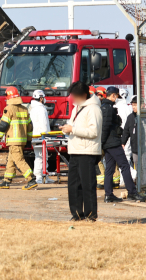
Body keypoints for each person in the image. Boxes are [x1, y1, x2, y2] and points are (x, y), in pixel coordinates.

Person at [61, 81, 102, 221]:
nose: (73, 99)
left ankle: (91, 215)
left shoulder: (93, 109)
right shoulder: (77, 108)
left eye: (75, 96)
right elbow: (74, 126)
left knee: (87, 185)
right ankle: (77, 214)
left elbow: (94, 132)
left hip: (88, 152)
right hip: (75, 150)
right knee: (73, 185)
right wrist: (68, 128)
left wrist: (73, 129)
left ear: (84, 95)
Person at [100, 87, 144, 203]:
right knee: (124, 165)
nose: (117, 99)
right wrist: (102, 143)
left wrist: (102, 144)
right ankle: (132, 192)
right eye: (116, 96)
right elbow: (105, 127)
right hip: (113, 142)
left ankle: (108, 194)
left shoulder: (103, 107)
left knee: (109, 169)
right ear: (113, 95)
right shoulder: (109, 109)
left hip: (108, 144)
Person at [0, 86, 36, 190]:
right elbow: (30, 126)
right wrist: (29, 140)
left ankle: (31, 179)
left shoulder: (9, 109)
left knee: (19, 160)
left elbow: (3, 125)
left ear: (8, 96)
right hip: (22, 140)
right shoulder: (24, 109)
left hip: (13, 140)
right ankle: (7, 181)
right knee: (11, 161)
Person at [31, 89, 54, 184]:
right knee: (41, 157)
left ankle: (44, 175)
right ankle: (39, 177)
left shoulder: (33, 108)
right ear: (41, 98)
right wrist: (47, 136)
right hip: (41, 136)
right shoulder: (41, 109)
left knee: (41, 156)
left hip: (35, 136)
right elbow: (44, 124)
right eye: (43, 97)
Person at [122, 95, 138, 169]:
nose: (133, 107)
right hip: (135, 148)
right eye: (132, 105)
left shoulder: (145, 117)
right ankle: (139, 180)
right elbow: (126, 131)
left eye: (135, 105)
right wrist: (123, 143)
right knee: (137, 166)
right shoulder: (130, 117)